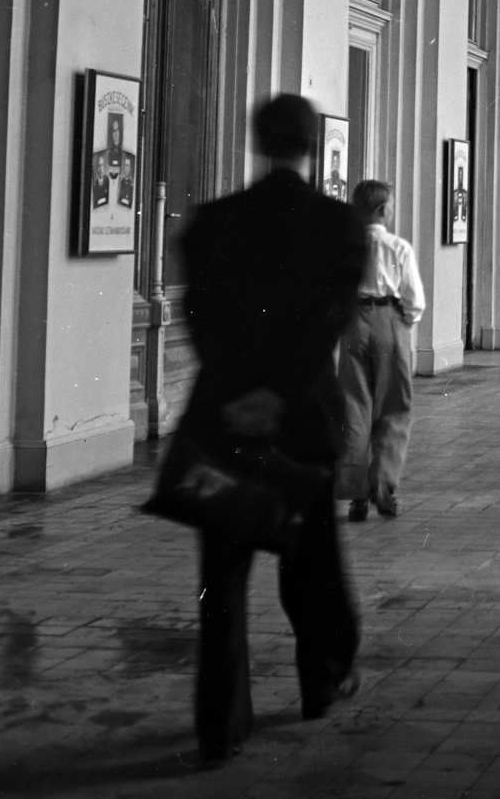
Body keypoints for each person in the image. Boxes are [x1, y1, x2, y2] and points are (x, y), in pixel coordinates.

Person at [178, 93, 368, 764]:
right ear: (313, 145)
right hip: (299, 421)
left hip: (223, 418)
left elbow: (197, 318)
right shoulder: (339, 224)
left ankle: (218, 724)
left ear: (256, 139)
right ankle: (321, 682)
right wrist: (279, 394)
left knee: (221, 579)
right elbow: (328, 322)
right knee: (312, 565)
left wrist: (239, 392)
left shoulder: (212, 222)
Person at [338, 180, 425, 523]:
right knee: (394, 405)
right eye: (390, 205)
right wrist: (404, 320)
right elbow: (413, 297)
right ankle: (384, 484)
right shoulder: (398, 247)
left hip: (353, 322)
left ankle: (356, 494)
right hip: (389, 320)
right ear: (381, 210)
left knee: (354, 406)